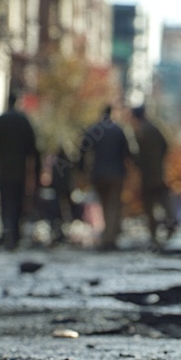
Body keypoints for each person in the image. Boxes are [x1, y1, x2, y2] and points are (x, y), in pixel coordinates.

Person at [0, 92, 40, 249]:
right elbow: (33, 149)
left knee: (6, 204)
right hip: (19, 171)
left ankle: (7, 234)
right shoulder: (23, 121)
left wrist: (1, 157)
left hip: (4, 170)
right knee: (17, 204)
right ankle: (14, 236)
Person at [81, 104, 130, 250]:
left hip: (99, 173)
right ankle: (110, 238)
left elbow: (83, 150)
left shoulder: (94, 129)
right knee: (113, 205)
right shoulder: (119, 130)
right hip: (116, 173)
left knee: (103, 204)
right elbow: (128, 152)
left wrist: (82, 169)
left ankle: (106, 237)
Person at [130, 104, 177, 247]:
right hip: (158, 171)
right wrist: (159, 160)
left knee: (149, 205)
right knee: (163, 200)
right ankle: (170, 222)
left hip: (147, 174)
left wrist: (138, 165)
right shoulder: (156, 128)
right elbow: (166, 145)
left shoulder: (140, 131)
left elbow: (136, 154)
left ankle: (154, 235)